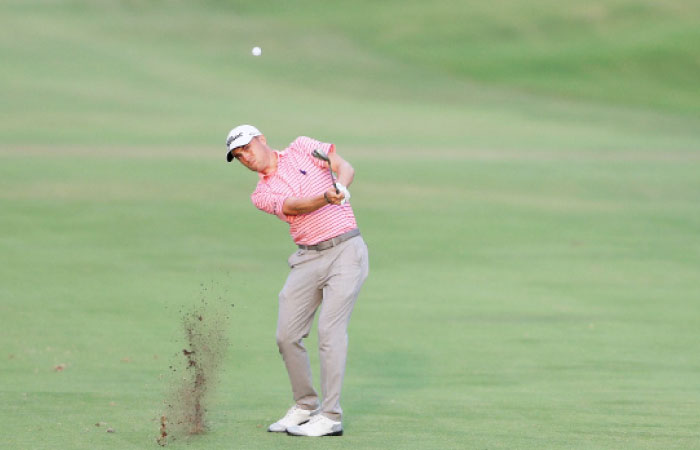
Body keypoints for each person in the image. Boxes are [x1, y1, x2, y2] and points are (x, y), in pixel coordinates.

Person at [225, 124, 369, 437]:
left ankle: (330, 416)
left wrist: (341, 187)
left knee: (330, 332)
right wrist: (325, 197)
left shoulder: (303, 146)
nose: (245, 157)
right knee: (286, 336)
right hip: (308, 257)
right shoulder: (261, 193)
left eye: (247, 148)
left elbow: (344, 166)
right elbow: (294, 206)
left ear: (262, 140)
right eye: (238, 156)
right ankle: (305, 405)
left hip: (346, 250)